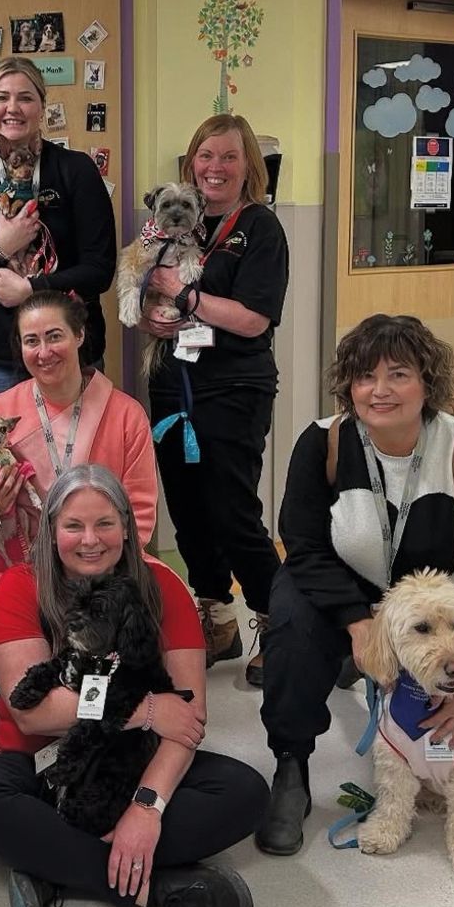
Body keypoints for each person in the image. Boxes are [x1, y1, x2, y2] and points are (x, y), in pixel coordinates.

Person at [0, 464, 269, 907]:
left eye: (105, 524)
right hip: (43, 766)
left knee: (246, 793)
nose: (90, 540)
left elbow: (188, 720)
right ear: (51, 530)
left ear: (127, 528)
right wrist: (143, 708)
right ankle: (152, 889)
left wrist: (147, 807)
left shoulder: (163, 587)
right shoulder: (20, 585)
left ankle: (49, 862)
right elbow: (33, 714)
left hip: (131, 761)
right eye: (74, 525)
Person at [256, 314, 454, 855]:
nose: (380, 390)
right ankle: (291, 766)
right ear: (348, 386)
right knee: (291, 622)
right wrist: (359, 624)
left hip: (429, 599)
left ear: (428, 383)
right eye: (364, 376)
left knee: (447, 673)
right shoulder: (323, 442)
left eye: (398, 374)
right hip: (343, 587)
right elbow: (302, 544)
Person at [141, 114, 289, 685]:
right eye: (206, 156)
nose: (215, 167)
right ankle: (217, 620)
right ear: (191, 164)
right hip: (173, 385)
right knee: (187, 511)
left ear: (249, 165)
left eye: (229, 156)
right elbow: (150, 294)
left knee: (232, 512)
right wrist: (156, 317)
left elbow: (253, 320)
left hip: (233, 389)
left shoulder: (260, 228)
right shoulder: (179, 221)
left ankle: (278, 624)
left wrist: (182, 295)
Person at [0, 290, 158, 658]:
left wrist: (101, 564)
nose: (44, 352)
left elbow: (139, 511)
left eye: (54, 336)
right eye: (32, 341)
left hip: (101, 559)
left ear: (80, 335)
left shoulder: (126, 414)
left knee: (123, 647)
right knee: (22, 661)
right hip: (12, 564)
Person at [0, 57, 117, 408]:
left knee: (79, 445)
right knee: (2, 446)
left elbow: (100, 271)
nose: (13, 108)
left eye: (25, 98)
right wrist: (1, 248)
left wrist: (31, 288)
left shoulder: (77, 170)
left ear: (42, 106)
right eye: (2, 97)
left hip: (71, 350)